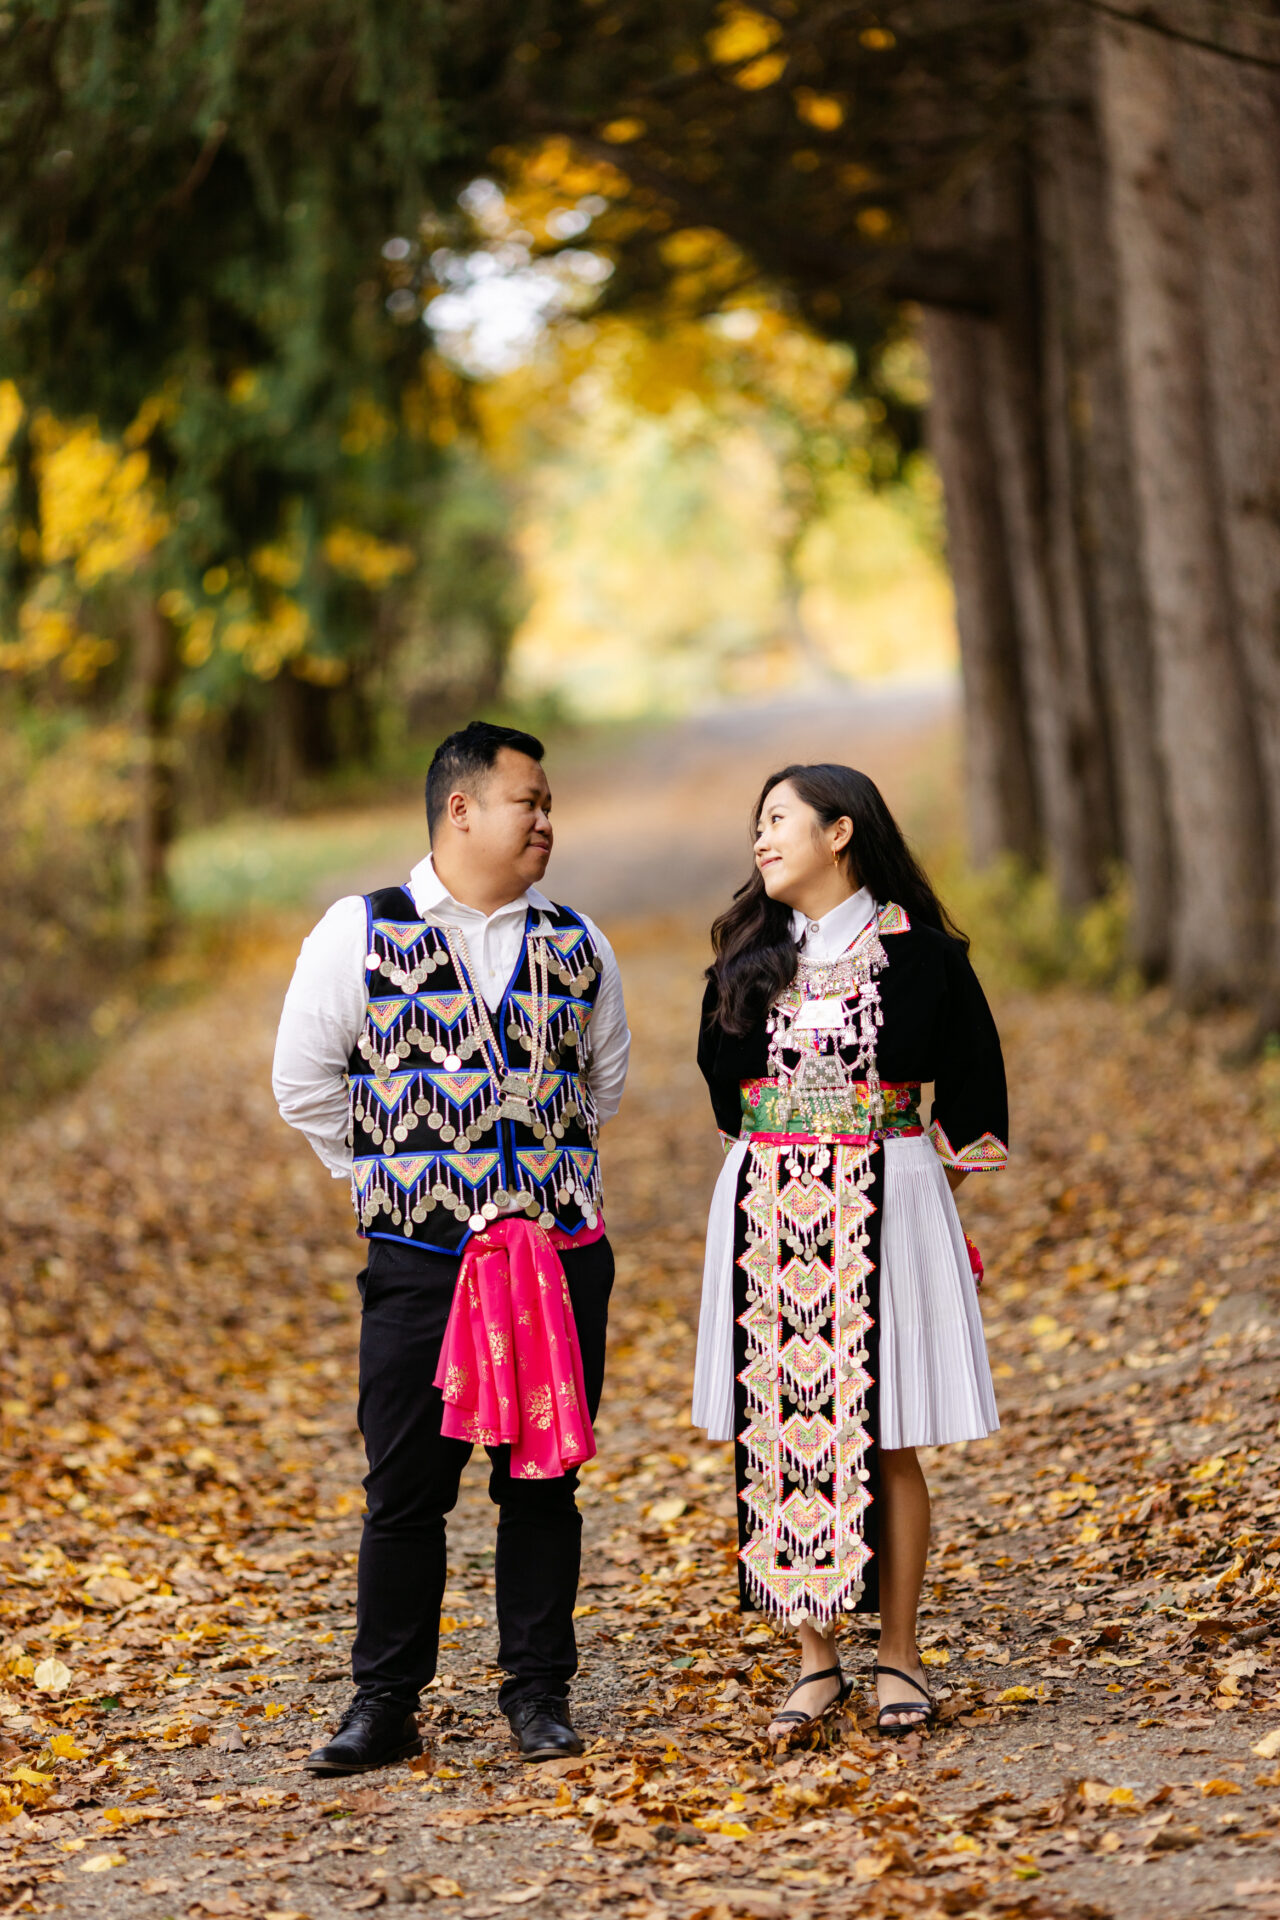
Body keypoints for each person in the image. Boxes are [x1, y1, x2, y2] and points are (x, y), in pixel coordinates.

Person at [273, 721, 630, 1772]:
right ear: (461, 808)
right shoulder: (360, 930)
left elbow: (601, 1085)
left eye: (550, 804)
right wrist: (404, 1180)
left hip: (557, 1258)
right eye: (531, 801)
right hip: (421, 1263)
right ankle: (383, 1702)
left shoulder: (578, 940)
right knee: (405, 1488)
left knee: (541, 1480)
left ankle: (538, 1692)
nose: (546, 822)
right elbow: (305, 1084)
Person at [694, 763, 1006, 1740]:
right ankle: (814, 1660)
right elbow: (724, 1100)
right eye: (755, 824)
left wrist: (911, 1196)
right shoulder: (744, 957)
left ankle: (899, 1657)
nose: (760, 837)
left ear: (840, 830)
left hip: (889, 1194)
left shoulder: (925, 958)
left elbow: (973, 1097)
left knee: (888, 1432)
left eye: (777, 819)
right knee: (783, 1425)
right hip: (768, 1202)